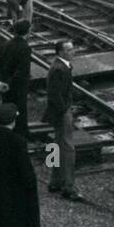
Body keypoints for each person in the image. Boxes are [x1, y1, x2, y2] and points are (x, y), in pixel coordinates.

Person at [44, 39, 81, 200]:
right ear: (60, 52)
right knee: (68, 150)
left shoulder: (62, 66)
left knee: (55, 145)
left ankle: (54, 181)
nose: (73, 52)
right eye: (69, 50)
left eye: (72, 49)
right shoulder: (60, 68)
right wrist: (65, 110)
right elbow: (54, 95)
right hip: (61, 112)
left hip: (58, 111)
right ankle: (69, 187)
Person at [0, 19, 33, 137]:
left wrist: (1, 81)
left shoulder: (6, 44)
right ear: (28, 31)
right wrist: (10, 83)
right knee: (20, 111)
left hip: (5, 85)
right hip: (18, 86)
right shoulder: (25, 47)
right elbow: (22, 71)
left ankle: (6, 133)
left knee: (7, 109)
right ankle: (21, 135)